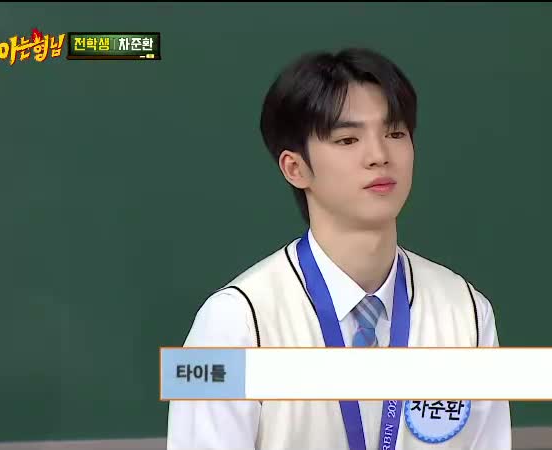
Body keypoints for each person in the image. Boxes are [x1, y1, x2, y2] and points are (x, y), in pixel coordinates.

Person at [166, 47, 512, 450]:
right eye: (348, 139)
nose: (379, 156)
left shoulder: (467, 312)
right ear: (295, 168)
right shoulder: (234, 324)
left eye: (395, 133)